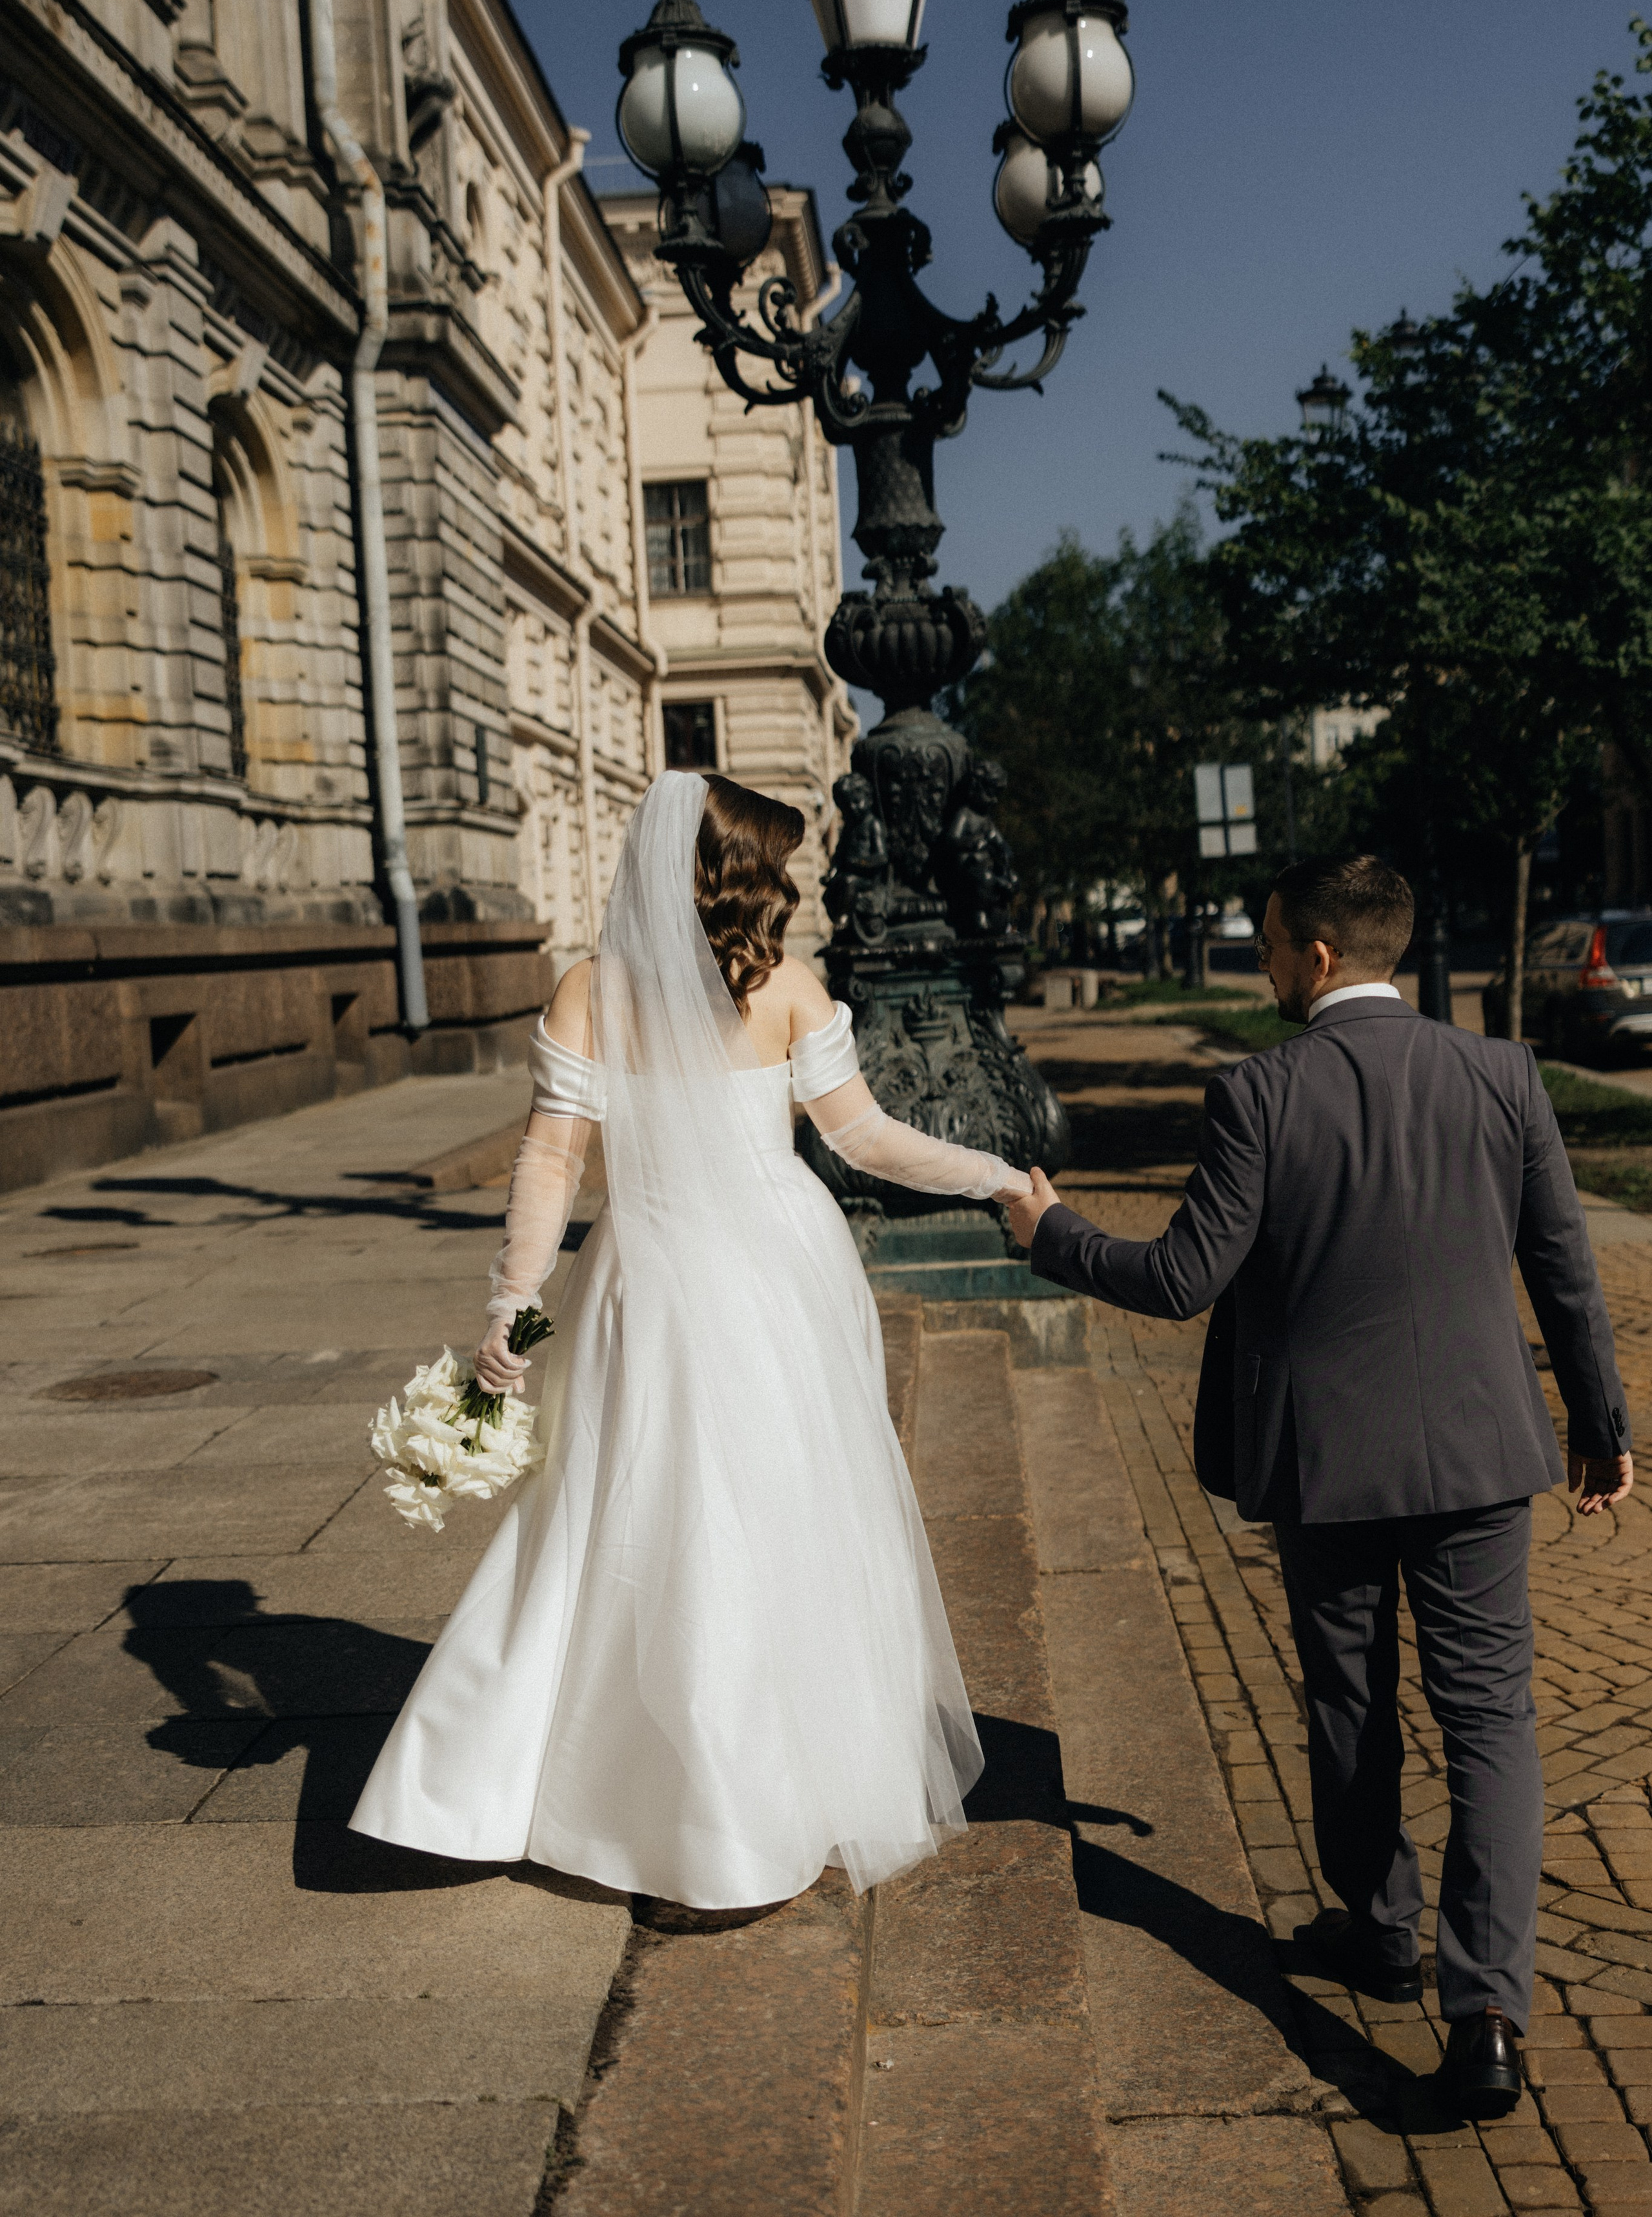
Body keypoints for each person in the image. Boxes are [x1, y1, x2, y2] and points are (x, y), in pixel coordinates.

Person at [1002, 852, 1632, 2119]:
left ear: (1320, 955)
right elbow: (1562, 1264)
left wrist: (1051, 1232)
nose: (1266, 965)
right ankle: (1486, 2015)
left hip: (1326, 1459)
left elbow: (1181, 1277)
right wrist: (1599, 1424)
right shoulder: (1503, 1074)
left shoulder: (1259, 1091)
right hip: (1478, 1454)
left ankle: (1380, 1929)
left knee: (1348, 1693)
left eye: (1272, 944)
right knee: (1489, 1718)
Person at [351, 770, 1030, 1911]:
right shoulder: (788, 988)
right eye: (779, 862)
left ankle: (663, 1805)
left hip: (652, 1279)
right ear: (742, 875)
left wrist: (515, 1307)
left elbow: (552, 1161)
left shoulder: (591, 990)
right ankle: (756, 1804)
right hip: (778, 1276)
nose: (794, 881)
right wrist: (996, 1174)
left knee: (642, 1519)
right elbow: (867, 1141)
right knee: (775, 1517)